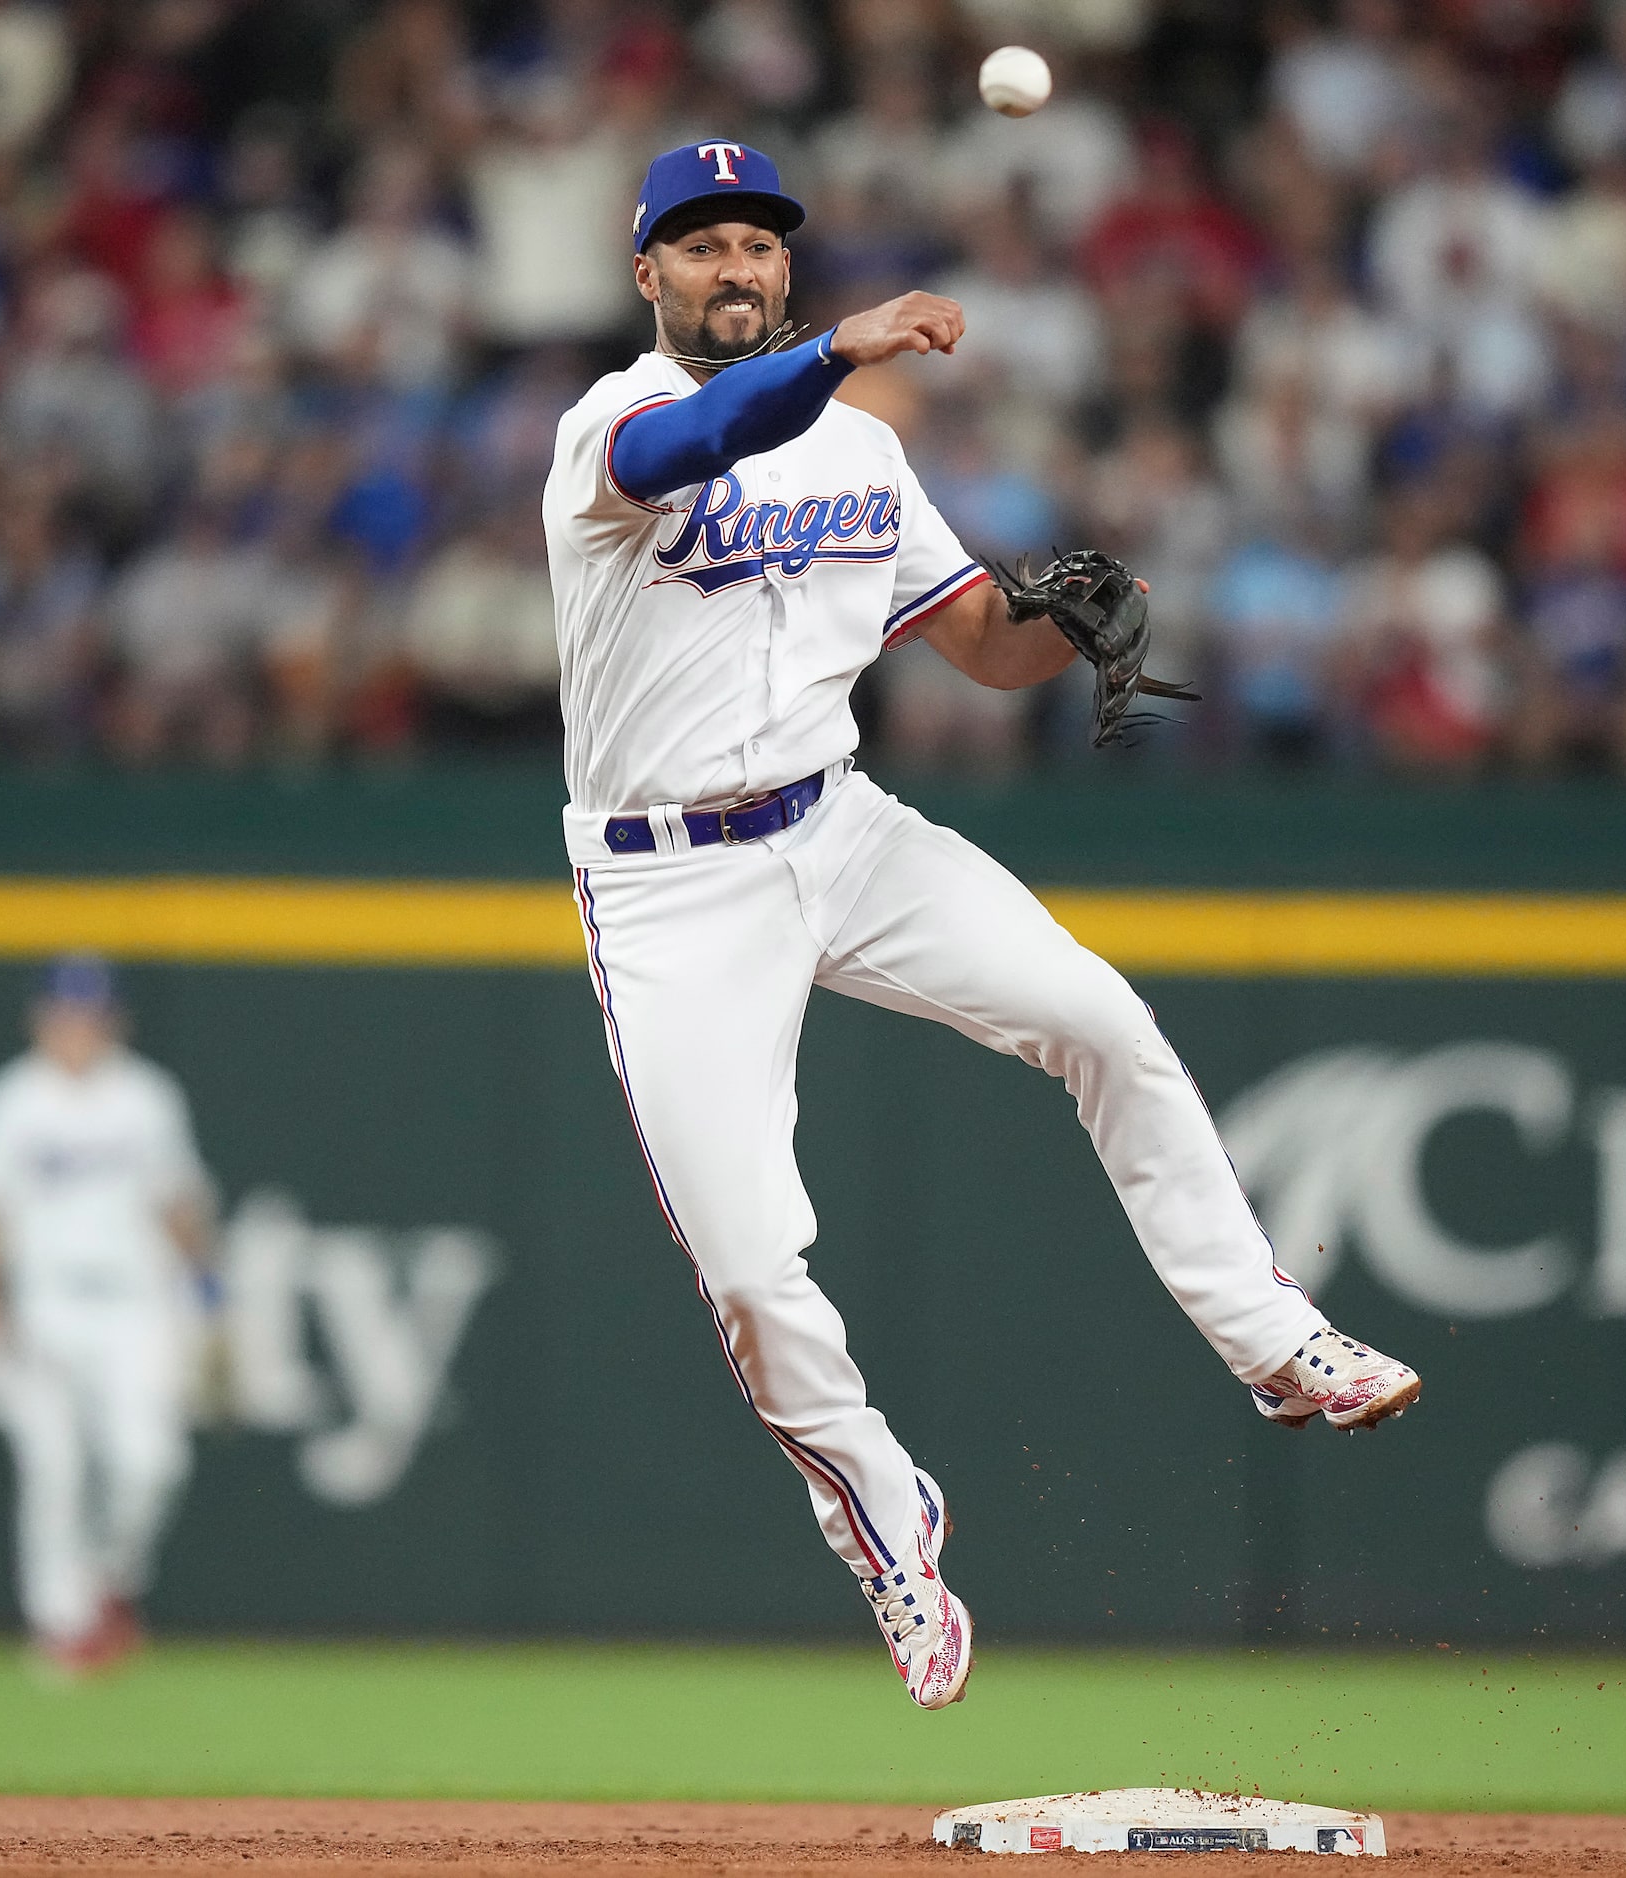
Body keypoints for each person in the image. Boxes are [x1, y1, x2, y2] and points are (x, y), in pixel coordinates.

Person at [546, 142, 1423, 1712]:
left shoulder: (862, 464)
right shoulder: (609, 431)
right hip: (668, 880)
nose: (733, 266)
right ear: (648, 277)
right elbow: (711, 432)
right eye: (701, 247)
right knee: (750, 1265)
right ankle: (884, 1516)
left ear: (781, 268)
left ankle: (1273, 1335)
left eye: (757, 244)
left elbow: (981, 651)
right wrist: (848, 348)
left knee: (1100, 1019)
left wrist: (1074, 604)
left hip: (842, 821)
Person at [0, 956, 214, 1678]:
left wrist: (210, 1292)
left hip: (135, 1304)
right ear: (40, 1018)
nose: (78, 1028)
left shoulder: (146, 1098)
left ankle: (108, 1584)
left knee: (152, 1463)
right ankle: (59, 1625)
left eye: (91, 1014)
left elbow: (180, 1206)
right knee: (53, 1468)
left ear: (114, 1020)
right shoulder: (7, 1102)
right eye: (66, 1013)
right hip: (46, 1304)